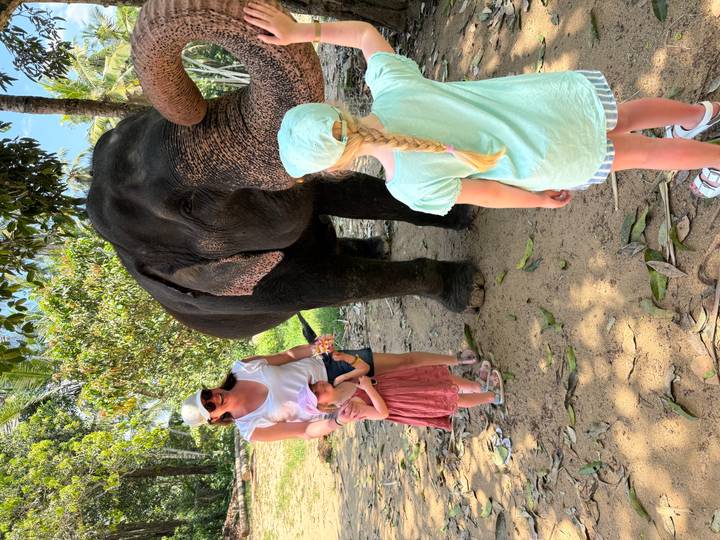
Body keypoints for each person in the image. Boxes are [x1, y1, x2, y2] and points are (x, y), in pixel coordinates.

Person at [243, 2, 720, 210]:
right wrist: (301, 31)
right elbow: (366, 35)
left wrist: (536, 199)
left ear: (337, 168)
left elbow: (488, 194)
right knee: (630, 114)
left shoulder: (409, 188)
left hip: (548, 158)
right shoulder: (393, 87)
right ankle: (701, 114)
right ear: (334, 110)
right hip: (551, 107)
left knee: (644, 155)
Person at [180, 338, 487, 441]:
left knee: (403, 362)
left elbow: (286, 357)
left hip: (331, 369)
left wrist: (313, 347)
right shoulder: (250, 429)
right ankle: (475, 393)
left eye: (206, 394)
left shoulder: (241, 368)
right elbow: (303, 431)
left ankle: (458, 360)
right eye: (208, 405)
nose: (212, 398)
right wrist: (337, 421)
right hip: (334, 399)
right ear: (213, 418)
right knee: (407, 393)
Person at [300, 366, 504, 431]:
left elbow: (363, 369)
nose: (319, 387)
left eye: (314, 385)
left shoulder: (339, 381)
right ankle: (491, 396)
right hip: (404, 399)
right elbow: (382, 413)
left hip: (400, 382)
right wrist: (369, 389)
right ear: (324, 406)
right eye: (317, 393)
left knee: (439, 378)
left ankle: (478, 385)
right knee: (447, 398)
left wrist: (346, 367)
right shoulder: (348, 408)